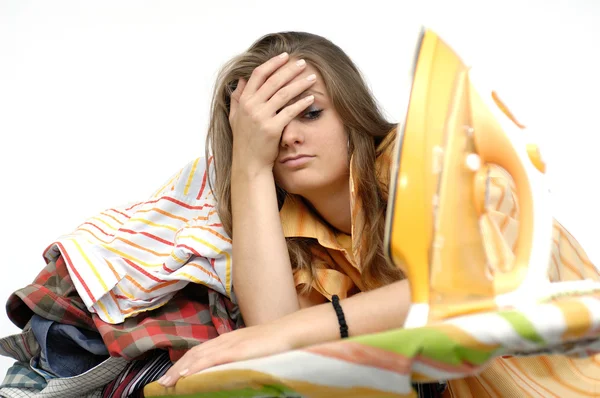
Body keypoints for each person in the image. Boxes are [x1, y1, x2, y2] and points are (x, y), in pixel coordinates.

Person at [158, 31, 599, 395]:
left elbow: (470, 286)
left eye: (310, 113)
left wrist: (294, 331)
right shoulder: (291, 232)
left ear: (350, 113)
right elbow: (274, 345)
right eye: (268, 127)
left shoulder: (431, 161)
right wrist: (250, 165)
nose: (288, 137)